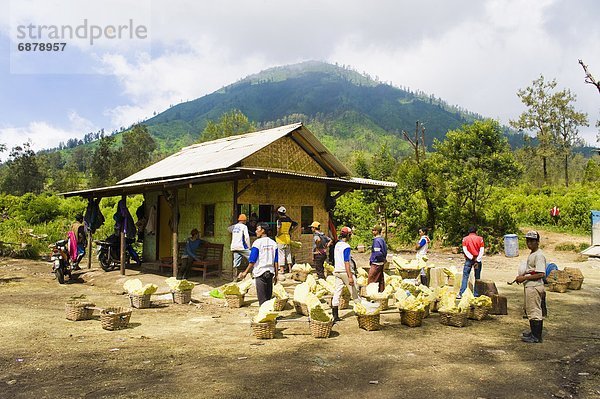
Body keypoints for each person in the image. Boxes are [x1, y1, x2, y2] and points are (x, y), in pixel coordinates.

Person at [516, 230, 546, 343]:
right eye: (527, 241)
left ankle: (536, 336)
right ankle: (533, 332)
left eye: (532, 241)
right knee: (530, 309)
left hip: (535, 286)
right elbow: (532, 270)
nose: (529, 243)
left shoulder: (539, 255)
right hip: (530, 285)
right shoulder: (532, 253)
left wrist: (524, 278)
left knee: (535, 311)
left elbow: (541, 273)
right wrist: (522, 275)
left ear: (537, 242)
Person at [238, 223, 278, 305]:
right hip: (270, 273)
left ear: (263, 230)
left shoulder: (257, 243)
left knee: (262, 301)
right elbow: (276, 261)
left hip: (260, 274)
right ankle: (268, 315)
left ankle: (264, 315)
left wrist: (245, 272)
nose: (256, 231)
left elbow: (252, 260)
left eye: (257, 229)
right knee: (268, 299)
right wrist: (276, 275)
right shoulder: (274, 243)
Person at [331, 226, 361, 322]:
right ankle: (362, 311)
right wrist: (350, 277)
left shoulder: (337, 244)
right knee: (355, 291)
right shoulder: (346, 246)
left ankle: (335, 315)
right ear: (348, 235)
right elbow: (346, 262)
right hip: (345, 271)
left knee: (337, 292)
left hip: (337, 271)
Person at [457, 226, 484, 299]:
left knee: (465, 276)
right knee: (477, 277)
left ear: (469, 232)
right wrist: (477, 259)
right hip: (477, 260)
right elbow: (482, 250)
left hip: (468, 260)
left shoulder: (465, 239)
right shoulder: (480, 239)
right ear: (476, 231)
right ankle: (476, 294)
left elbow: (465, 250)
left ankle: (462, 293)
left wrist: (471, 257)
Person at [275, 206, 298, 274]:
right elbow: (296, 225)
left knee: (281, 254)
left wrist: (278, 234)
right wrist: (290, 231)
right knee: (288, 254)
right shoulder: (289, 219)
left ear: (279, 213)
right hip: (287, 238)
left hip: (281, 239)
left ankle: (281, 269)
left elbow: (278, 228)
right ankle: (290, 269)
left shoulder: (279, 220)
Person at [228, 214, 251, 280]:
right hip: (241, 247)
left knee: (236, 263)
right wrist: (248, 247)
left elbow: (228, 229)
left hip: (234, 247)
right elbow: (246, 237)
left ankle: (234, 278)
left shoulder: (234, 226)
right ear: (244, 221)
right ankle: (252, 273)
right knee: (252, 257)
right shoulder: (244, 226)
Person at [367, 225, 387, 292]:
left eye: (373, 230)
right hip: (381, 263)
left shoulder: (376, 240)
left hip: (376, 263)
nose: (372, 231)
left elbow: (378, 252)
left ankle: (371, 296)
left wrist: (379, 258)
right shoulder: (382, 240)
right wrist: (384, 259)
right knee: (380, 280)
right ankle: (381, 294)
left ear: (377, 231)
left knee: (372, 280)